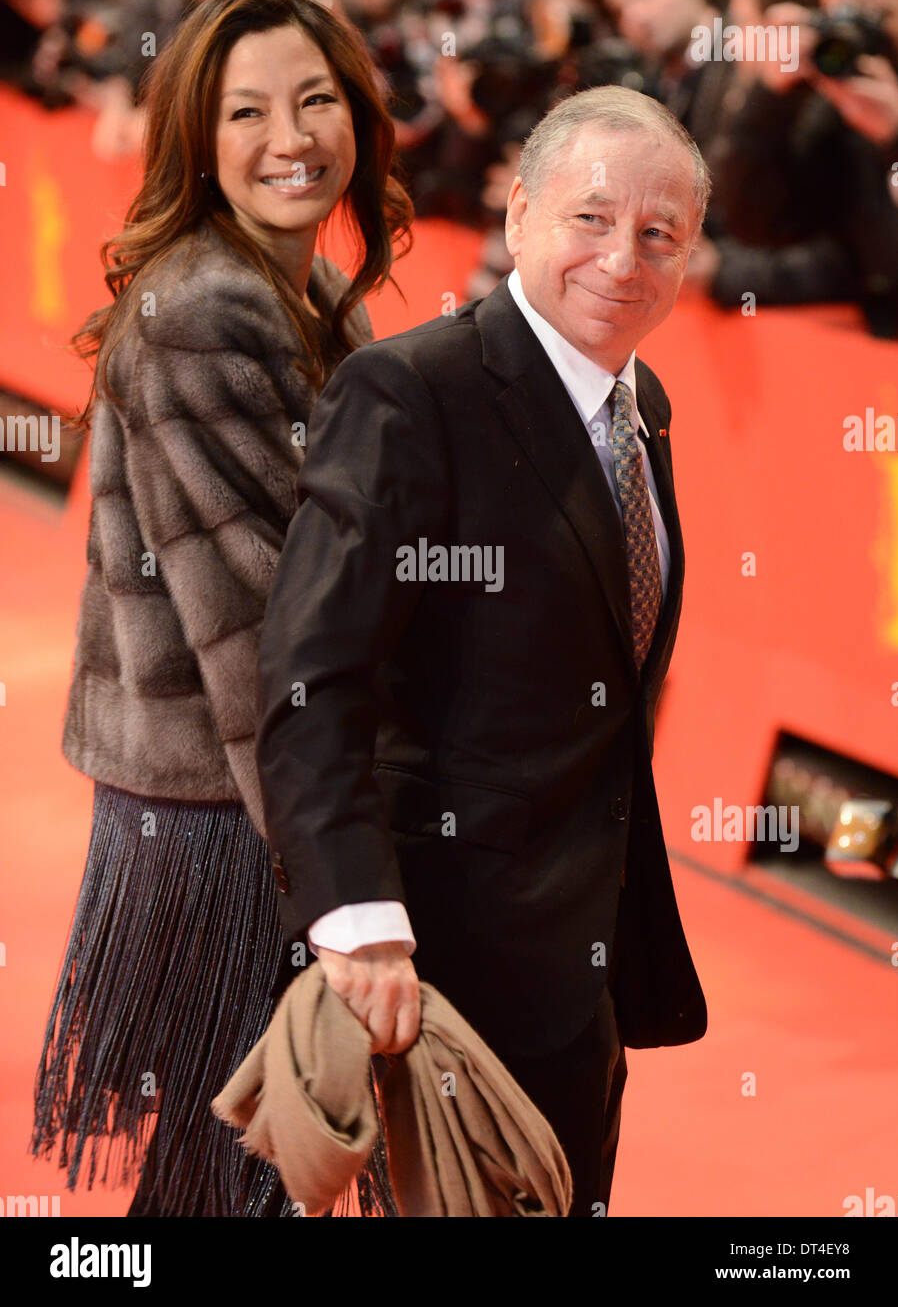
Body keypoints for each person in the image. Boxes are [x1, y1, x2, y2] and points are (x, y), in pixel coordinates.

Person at [255, 83, 709, 1218]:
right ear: (516, 216)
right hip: (430, 957)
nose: (624, 259)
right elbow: (316, 671)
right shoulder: (413, 392)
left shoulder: (640, 407)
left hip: (580, 957)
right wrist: (357, 918)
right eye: (592, 220)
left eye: (661, 235)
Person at [30, 0, 413, 1218]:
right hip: (224, 819)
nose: (288, 136)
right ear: (198, 140)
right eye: (246, 112)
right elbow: (259, 633)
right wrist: (339, 889)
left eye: (313, 99)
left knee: (231, 1172)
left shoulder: (290, 290)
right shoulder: (207, 308)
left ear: (356, 113)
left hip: (215, 804)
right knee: (244, 1175)